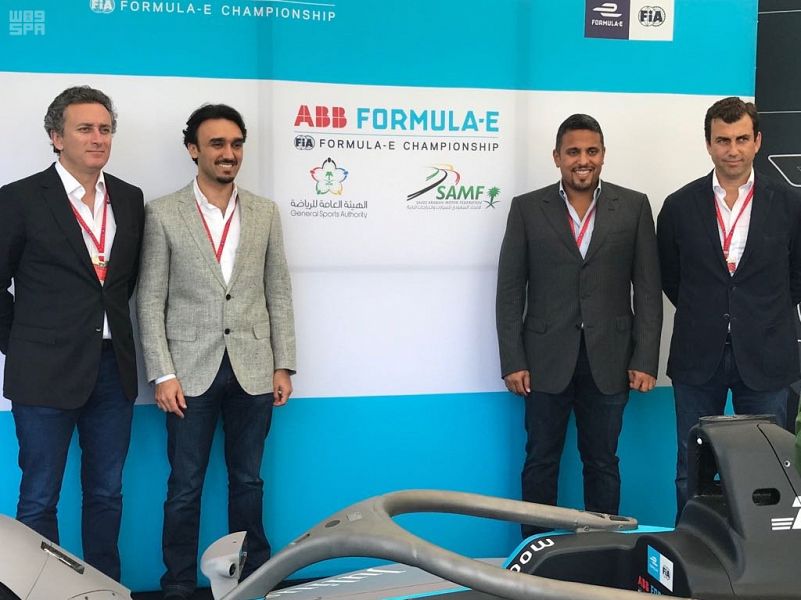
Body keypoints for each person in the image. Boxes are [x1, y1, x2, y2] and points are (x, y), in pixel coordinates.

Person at [136, 103, 296, 599]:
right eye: (217, 144)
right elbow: (150, 298)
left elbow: (278, 291)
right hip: (188, 373)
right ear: (193, 150)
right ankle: (178, 585)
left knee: (248, 483)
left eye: (236, 144)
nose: (229, 153)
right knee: (185, 486)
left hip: (253, 368)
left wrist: (283, 364)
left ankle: (252, 579)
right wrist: (162, 373)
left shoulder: (265, 212)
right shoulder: (163, 212)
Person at [0, 86, 144, 580]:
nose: (98, 138)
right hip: (43, 374)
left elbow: (123, 283)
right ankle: (41, 590)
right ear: (56, 137)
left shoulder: (129, 198)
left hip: (112, 371)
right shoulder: (18, 199)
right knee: (39, 497)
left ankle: (103, 588)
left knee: (107, 493)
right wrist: (23, 345)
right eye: (85, 129)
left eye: (105, 129)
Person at [496, 114, 662, 537]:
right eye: (573, 152)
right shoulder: (527, 208)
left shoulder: (634, 206)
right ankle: (535, 554)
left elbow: (647, 289)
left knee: (603, 462)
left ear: (603, 155)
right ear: (557, 157)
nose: (582, 160)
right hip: (544, 360)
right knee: (540, 462)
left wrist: (645, 358)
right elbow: (510, 290)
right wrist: (513, 360)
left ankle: (601, 554)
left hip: (610, 360)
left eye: (591, 151)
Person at [657, 96, 801, 517]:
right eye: (723, 140)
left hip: (768, 355)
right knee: (692, 469)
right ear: (708, 144)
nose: (732, 150)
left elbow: (796, 278)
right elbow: (671, 277)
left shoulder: (790, 204)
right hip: (697, 354)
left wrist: (757, 315)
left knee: (771, 469)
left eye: (741, 139)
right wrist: (712, 311)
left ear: (758, 141)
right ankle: (693, 547)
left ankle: (762, 554)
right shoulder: (679, 206)